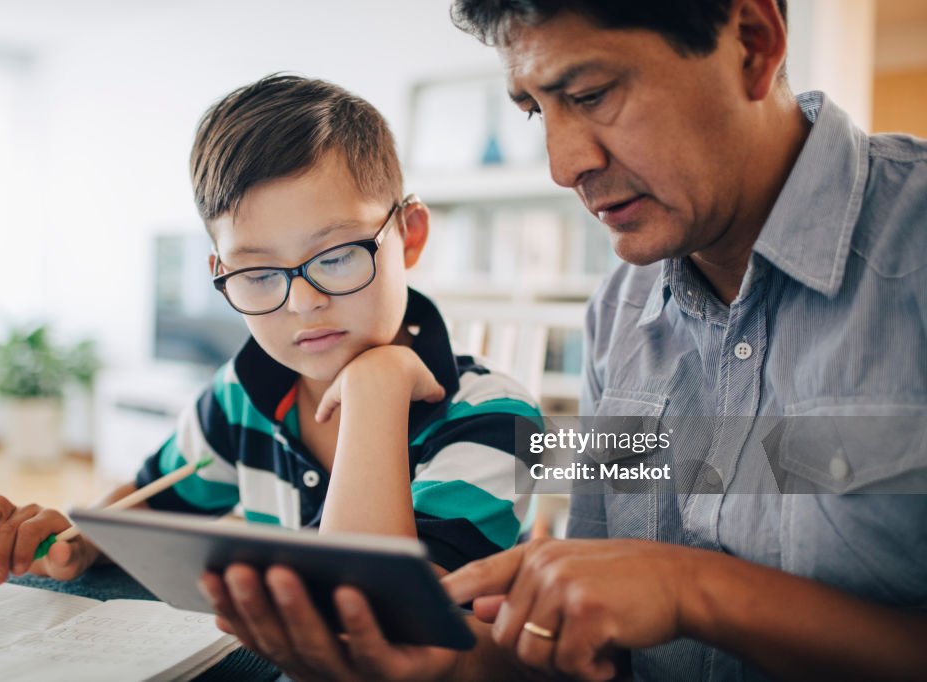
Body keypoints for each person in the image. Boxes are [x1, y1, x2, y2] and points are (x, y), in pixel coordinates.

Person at [196, 2, 927, 680]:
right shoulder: (621, 311)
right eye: (533, 109)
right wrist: (452, 661)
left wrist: (695, 591)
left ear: (752, 43)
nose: (562, 164)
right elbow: (594, 650)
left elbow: (663, 586)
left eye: (590, 94)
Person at [0, 75, 540, 592]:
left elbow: (377, 617)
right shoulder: (242, 395)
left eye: (338, 256)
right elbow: (154, 502)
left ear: (409, 236)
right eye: (260, 274)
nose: (303, 301)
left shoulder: (499, 420)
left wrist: (375, 391)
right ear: (222, 276)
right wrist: (82, 538)